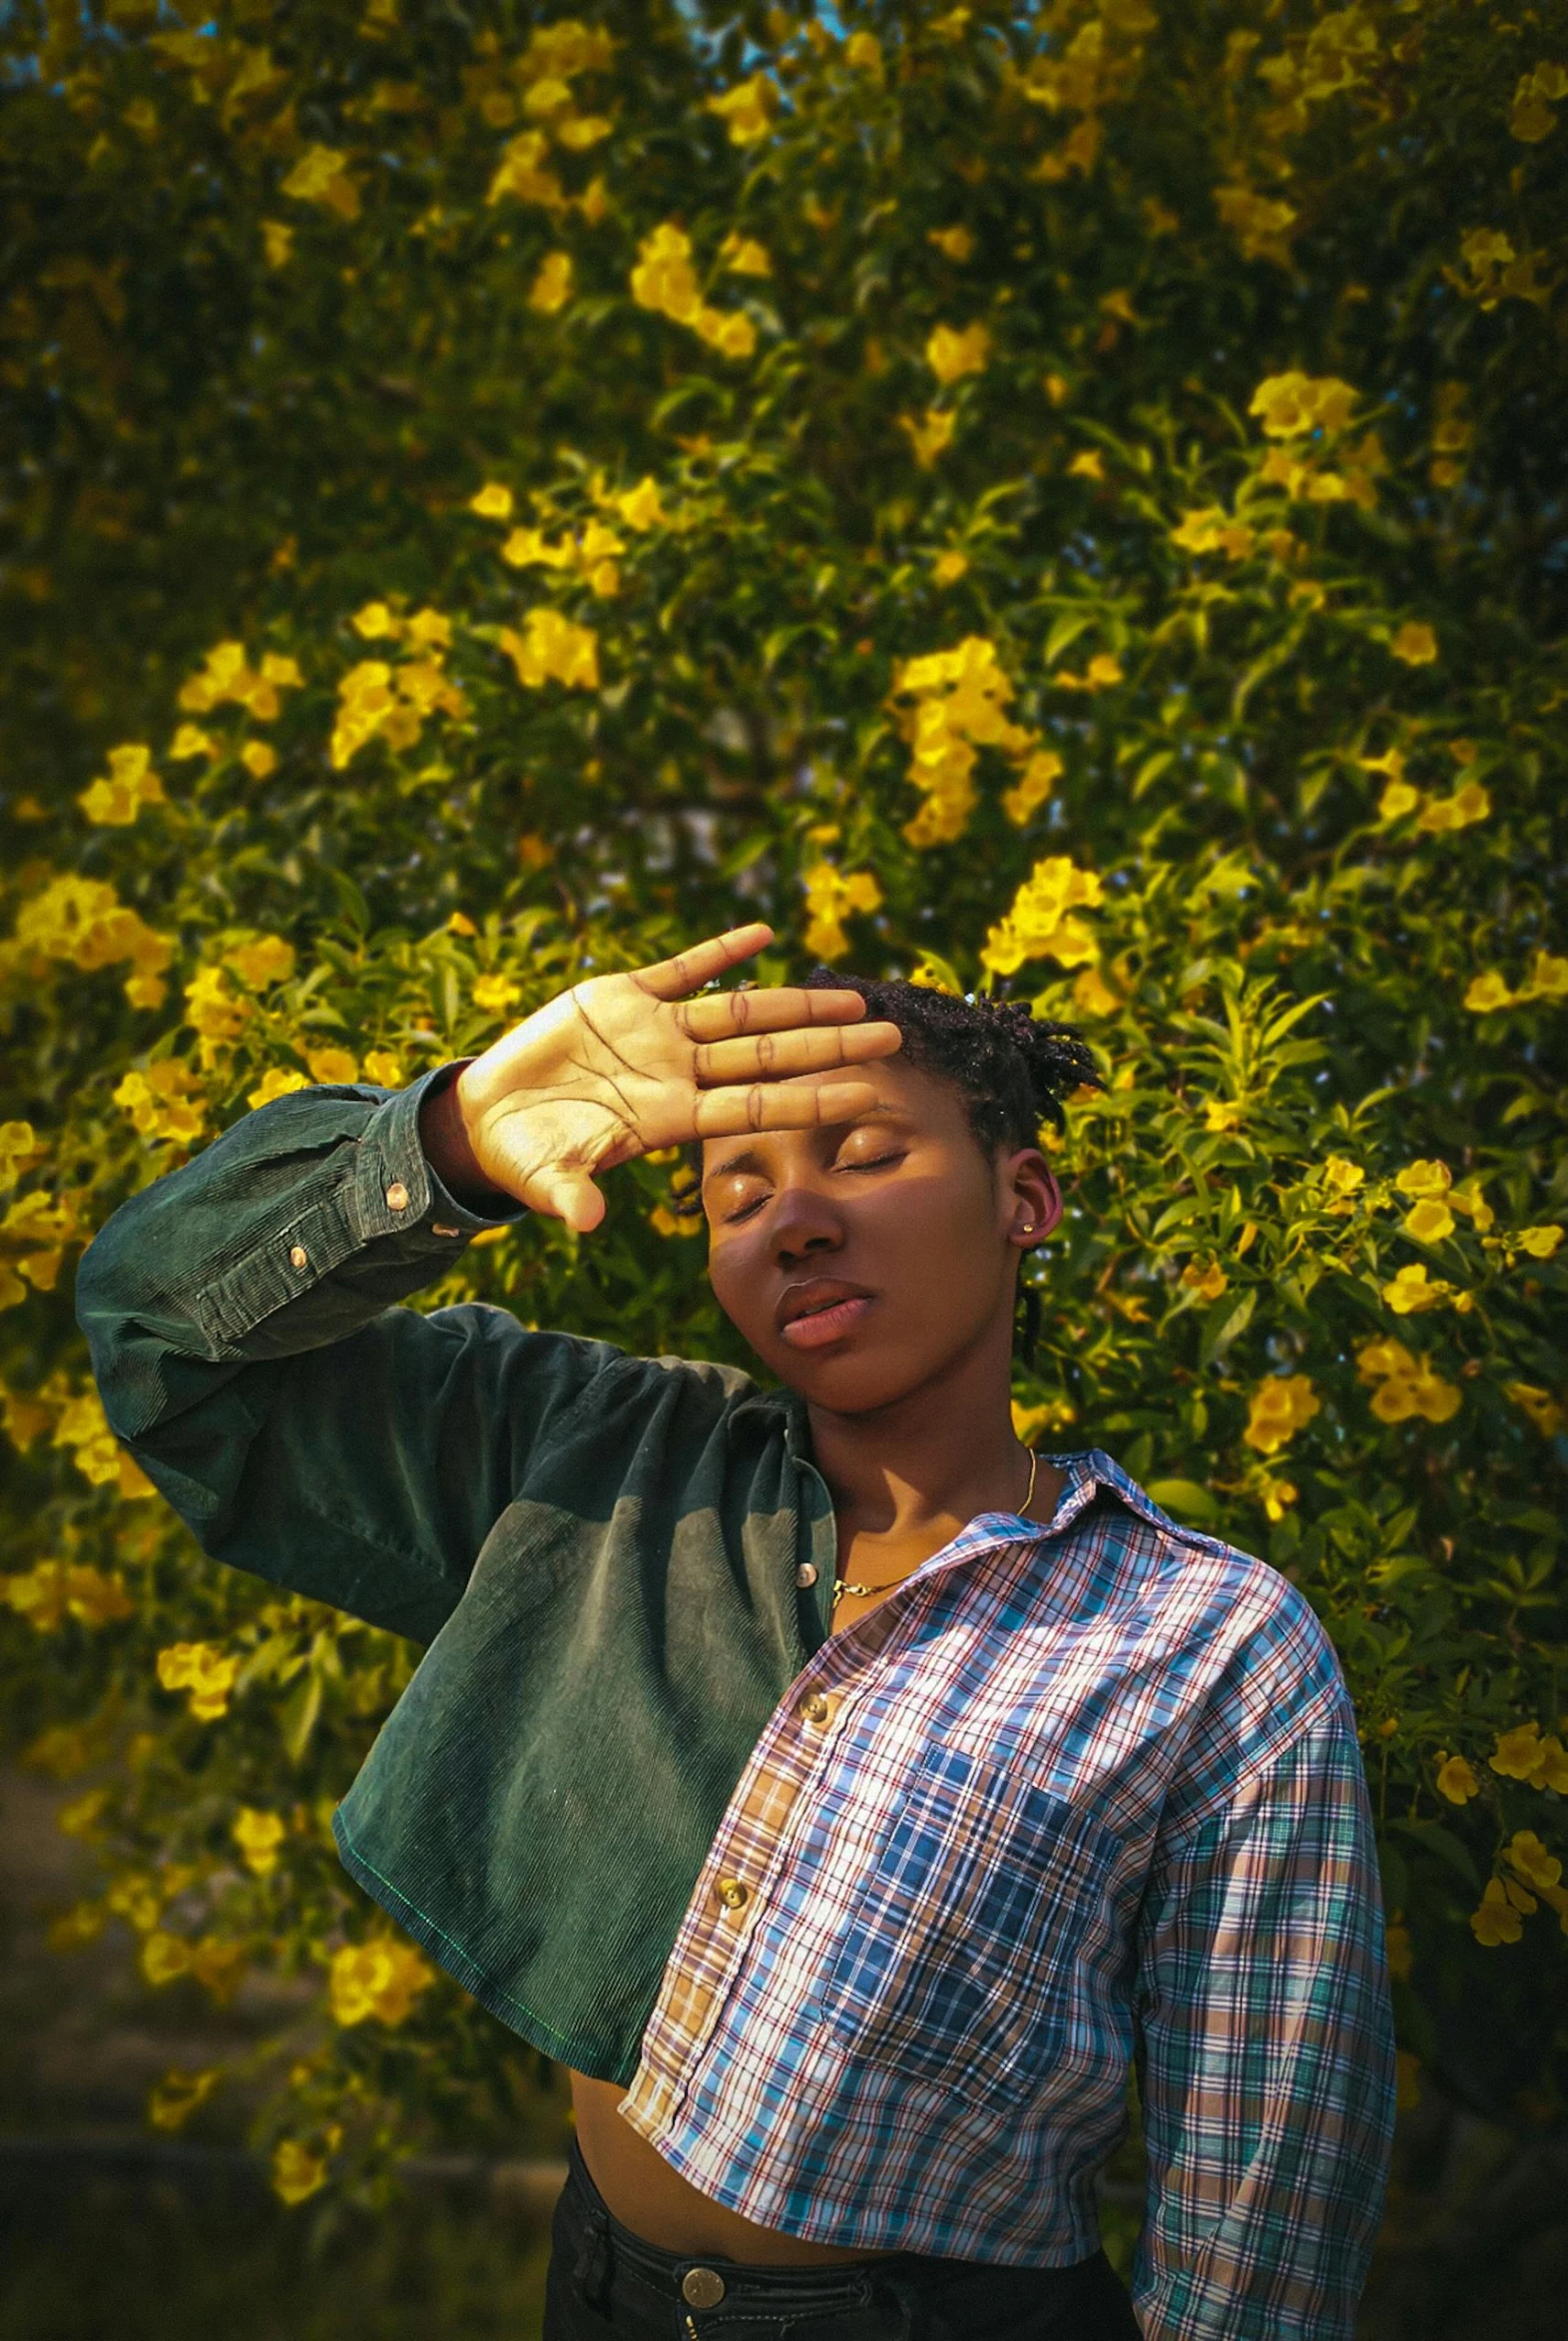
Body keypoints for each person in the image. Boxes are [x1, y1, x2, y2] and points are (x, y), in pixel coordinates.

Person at [79, 921, 1397, 2341]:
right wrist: (451, 1140)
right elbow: (162, 1338)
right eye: (734, 1192)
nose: (792, 1220)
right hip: (601, 2294)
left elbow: (1260, 2196)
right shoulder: (602, 1462)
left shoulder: (1207, 1640)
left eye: (864, 1154)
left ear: (1023, 1195)